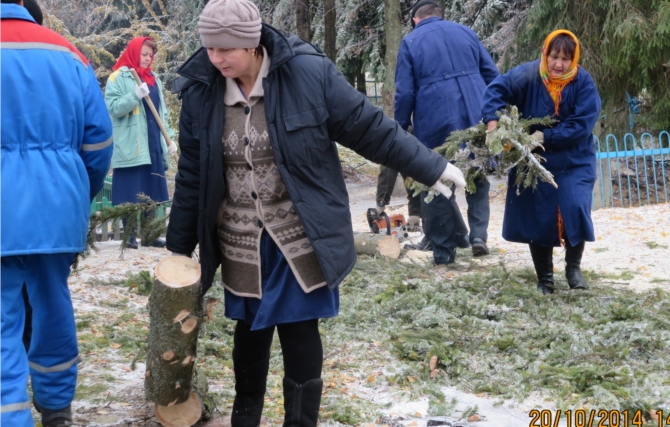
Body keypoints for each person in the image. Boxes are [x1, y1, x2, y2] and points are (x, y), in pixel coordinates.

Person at [165, 0, 464, 425]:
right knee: (249, 334)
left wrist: (432, 167)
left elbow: (370, 128)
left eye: (226, 49)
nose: (216, 59)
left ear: (251, 43)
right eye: (210, 49)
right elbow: (192, 176)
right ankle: (244, 417)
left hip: (300, 234)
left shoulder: (307, 72)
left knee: (300, 330)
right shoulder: (201, 90)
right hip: (240, 241)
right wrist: (178, 252)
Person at [1, 1, 114, 425]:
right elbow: (99, 143)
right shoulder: (69, 54)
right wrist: (74, 195)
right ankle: (57, 408)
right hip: (58, 206)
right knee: (52, 304)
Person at [481, 30, 601, 294]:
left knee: (575, 206)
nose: (558, 64)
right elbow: (496, 89)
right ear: (545, 54)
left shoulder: (583, 83)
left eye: (565, 59)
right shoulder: (528, 75)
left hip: (574, 158)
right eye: (554, 57)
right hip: (534, 159)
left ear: (574, 60)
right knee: (538, 214)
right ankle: (545, 278)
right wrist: (492, 121)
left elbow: (581, 126)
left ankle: (573, 269)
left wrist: (545, 135)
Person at [394, 0, 500, 262]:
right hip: (475, 112)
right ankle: (477, 236)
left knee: (436, 178)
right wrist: (493, 114)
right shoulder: (466, 32)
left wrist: (400, 125)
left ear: (416, 20)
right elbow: (493, 75)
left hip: (436, 117)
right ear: (439, 16)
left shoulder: (410, 42)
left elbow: (405, 92)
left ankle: (444, 251)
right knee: (477, 174)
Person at [105, 36, 176, 249]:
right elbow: (113, 108)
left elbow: (162, 113)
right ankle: (128, 234)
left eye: (150, 55)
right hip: (131, 143)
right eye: (144, 54)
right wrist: (134, 95)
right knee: (130, 188)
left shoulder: (155, 79)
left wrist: (169, 140)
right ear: (134, 52)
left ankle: (149, 234)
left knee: (151, 186)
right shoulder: (118, 77)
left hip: (153, 140)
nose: (147, 58)